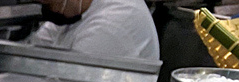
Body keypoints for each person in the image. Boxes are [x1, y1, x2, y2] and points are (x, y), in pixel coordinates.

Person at [26, 0, 160, 61]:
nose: (52, 10)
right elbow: (38, 48)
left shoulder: (111, 24)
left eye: (52, 5)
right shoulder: (70, 11)